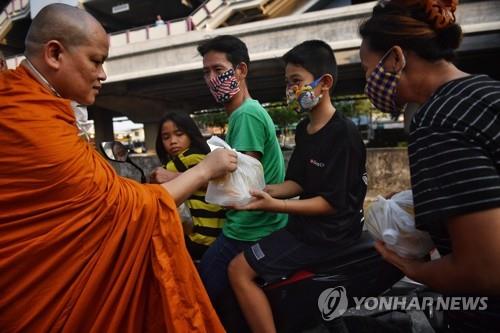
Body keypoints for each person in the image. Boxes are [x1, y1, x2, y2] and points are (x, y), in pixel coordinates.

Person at [0, 4, 237, 332]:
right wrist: (204, 171)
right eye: (95, 61)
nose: (103, 75)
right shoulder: (37, 127)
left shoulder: (16, 99)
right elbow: (131, 208)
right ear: (54, 54)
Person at [358, 0, 500, 331]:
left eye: (368, 69)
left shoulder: (437, 121)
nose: (369, 82)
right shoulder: (487, 92)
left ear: (395, 57)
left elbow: (484, 271)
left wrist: (410, 267)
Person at [227, 40, 367, 333]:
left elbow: (332, 202)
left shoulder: (344, 134)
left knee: (238, 270)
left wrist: (276, 205)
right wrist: (261, 193)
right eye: (288, 83)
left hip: (329, 234)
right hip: (306, 227)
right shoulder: (305, 129)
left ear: (324, 83)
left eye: (296, 82)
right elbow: (298, 182)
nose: (291, 90)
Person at [196, 35, 288, 306]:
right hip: (256, 224)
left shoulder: (245, 115)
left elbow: (240, 186)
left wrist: (179, 179)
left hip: (249, 229)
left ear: (241, 70)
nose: (212, 78)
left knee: (200, 295)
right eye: (206, 72)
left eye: (219, 70)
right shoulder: (245, 112)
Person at [155, 111, 226, 260]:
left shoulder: (187, 159)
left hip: (199, 237)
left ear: (190, 135)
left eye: (179, 134)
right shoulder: (204, 157)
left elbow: (158, 179)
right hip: (216, 235)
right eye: (166, 137)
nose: (173, 141)